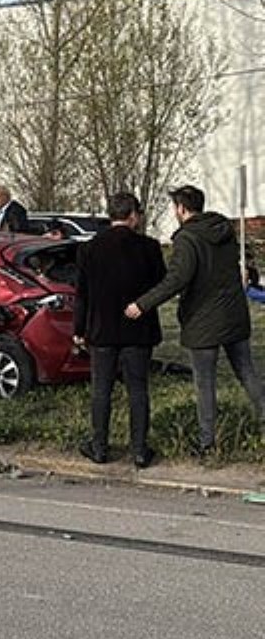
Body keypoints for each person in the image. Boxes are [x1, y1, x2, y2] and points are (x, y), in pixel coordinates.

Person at [125, 185, 265, 456]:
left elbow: (177, 278)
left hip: (203, 319)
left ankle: (207, 441)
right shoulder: (224, 230)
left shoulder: (187, 239)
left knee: (205, 382)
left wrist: (142, 304)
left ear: (181, 209)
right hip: (233, 314)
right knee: (247, 372)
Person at [73, 192, 166, 468]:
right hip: (138, 328)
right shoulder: (149, 248)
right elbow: (161, 284)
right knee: (138, 390)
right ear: (133, 215)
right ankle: (139, 450)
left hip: (101, 329)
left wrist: (78, 329)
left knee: (101, 389)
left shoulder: (89, 248)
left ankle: (99, 447)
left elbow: (82, 294)